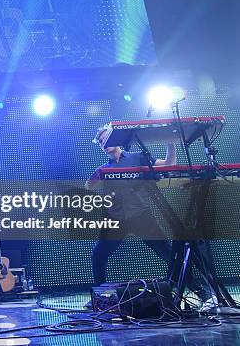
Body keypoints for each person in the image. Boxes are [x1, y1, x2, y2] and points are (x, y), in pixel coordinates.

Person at [85, 126, 215, 310]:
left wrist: (170, 143)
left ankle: (202, 293)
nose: (103, 144)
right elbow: (88, 187)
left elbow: (168, 165)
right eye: (99, 142)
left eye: (105, 139)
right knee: (98, 255)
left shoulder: (137, 157)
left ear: (116, 139)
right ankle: (99, 299)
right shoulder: (103, 168)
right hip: (116, 220)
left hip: (141, 216)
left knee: (169, 255)